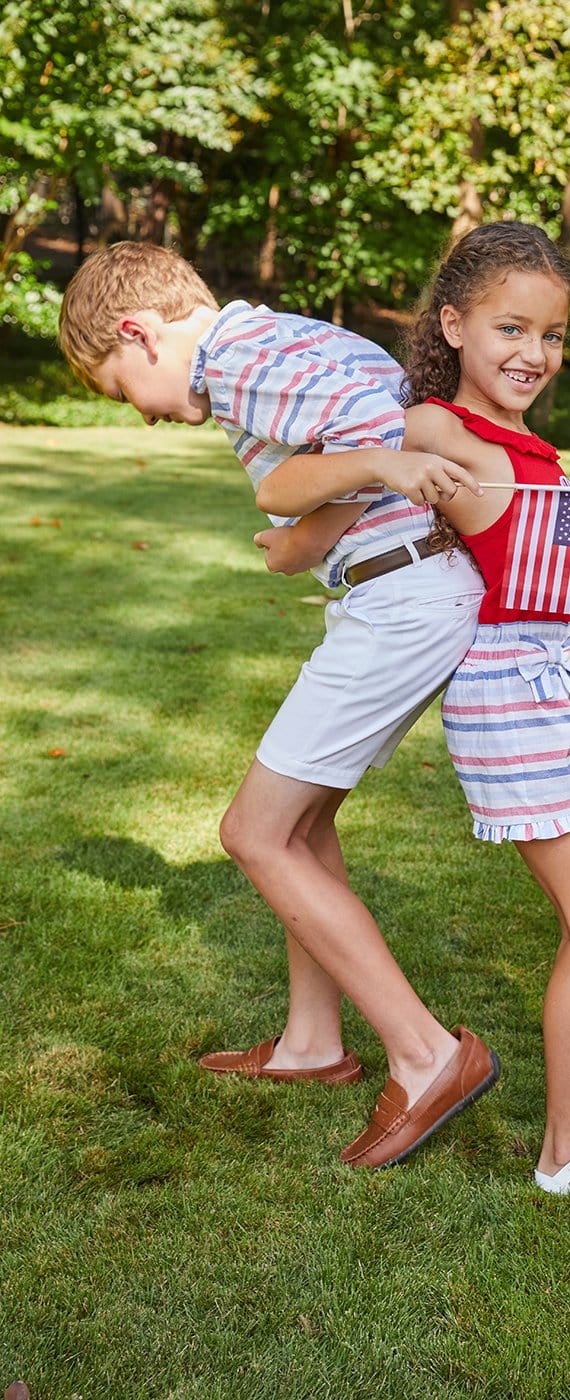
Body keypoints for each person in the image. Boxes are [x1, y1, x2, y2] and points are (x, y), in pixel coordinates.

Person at [259, 222, 570, 1213]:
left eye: (552, 335)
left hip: (565, 683)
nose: (534, 353)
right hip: (510, 695)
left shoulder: (524, 442)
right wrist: (368, 482)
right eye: (511, 327)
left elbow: (552, 563)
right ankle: (566, 1154)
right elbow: (296, 494)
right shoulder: (434, 425)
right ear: (455, 325)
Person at [58, 241, 499, 1170]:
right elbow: (383, 434)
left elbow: (386, 439)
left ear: (138, 333)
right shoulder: (275, 339)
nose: (138, 416)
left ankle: (425, 1057)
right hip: (401, 590)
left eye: (118, 387)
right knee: (301, 827)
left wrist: (301, 532)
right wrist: (311, 537)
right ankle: (312, 1044)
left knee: (254, 834)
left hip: (401, 599)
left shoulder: (240, 360)